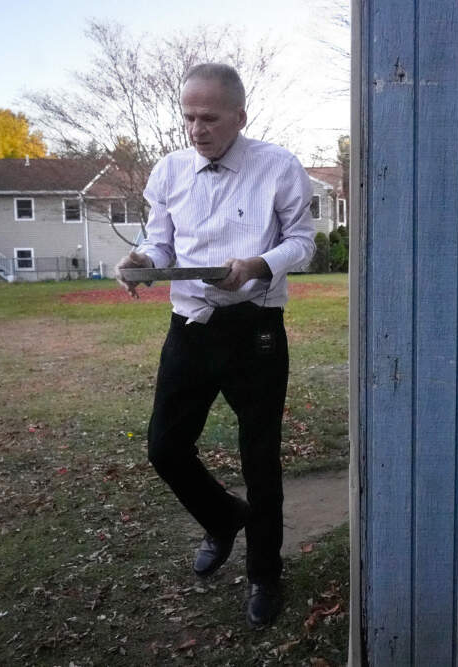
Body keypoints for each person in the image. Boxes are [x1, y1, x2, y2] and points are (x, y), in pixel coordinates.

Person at [116, 62, 316, 628]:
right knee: (164, 447)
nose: (196, 128)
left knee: (261, 459)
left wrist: (259, 264)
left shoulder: (277, 167)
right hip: (191, 326)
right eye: (188, 117)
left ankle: (264, 575)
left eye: (209, 117)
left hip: (255, 329)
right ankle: (223, 517)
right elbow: (159, 244)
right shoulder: (170, 170)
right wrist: (141, 263)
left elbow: (303, 242)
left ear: (239, 116)